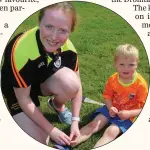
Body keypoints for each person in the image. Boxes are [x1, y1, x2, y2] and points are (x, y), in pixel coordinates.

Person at [1, 2, 82, 146]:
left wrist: (75, 121)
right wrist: (52, 130)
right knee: (41, 140)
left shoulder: (69, 48)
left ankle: (57, 106)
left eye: (63, 30)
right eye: (49, 27)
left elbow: (78, 87)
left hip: (41, 81)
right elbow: (24, 99)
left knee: (71, 83)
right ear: (39, 22)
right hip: (19, 91)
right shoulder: (21, 50)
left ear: (70, 31)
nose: (54, 36)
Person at [71, 44, 148, 148]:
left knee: (111, 132)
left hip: (129, 116)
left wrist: (129, 113)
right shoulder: (113, 79)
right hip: (111, 108)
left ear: (137, 64)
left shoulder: (141, 84)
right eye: (122, 64)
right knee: (94, 124)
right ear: (115, 64)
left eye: (131, 64)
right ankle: (68, 143)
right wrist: (110, 107)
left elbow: (144, 108)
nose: (126, 68)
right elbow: (107, 96)